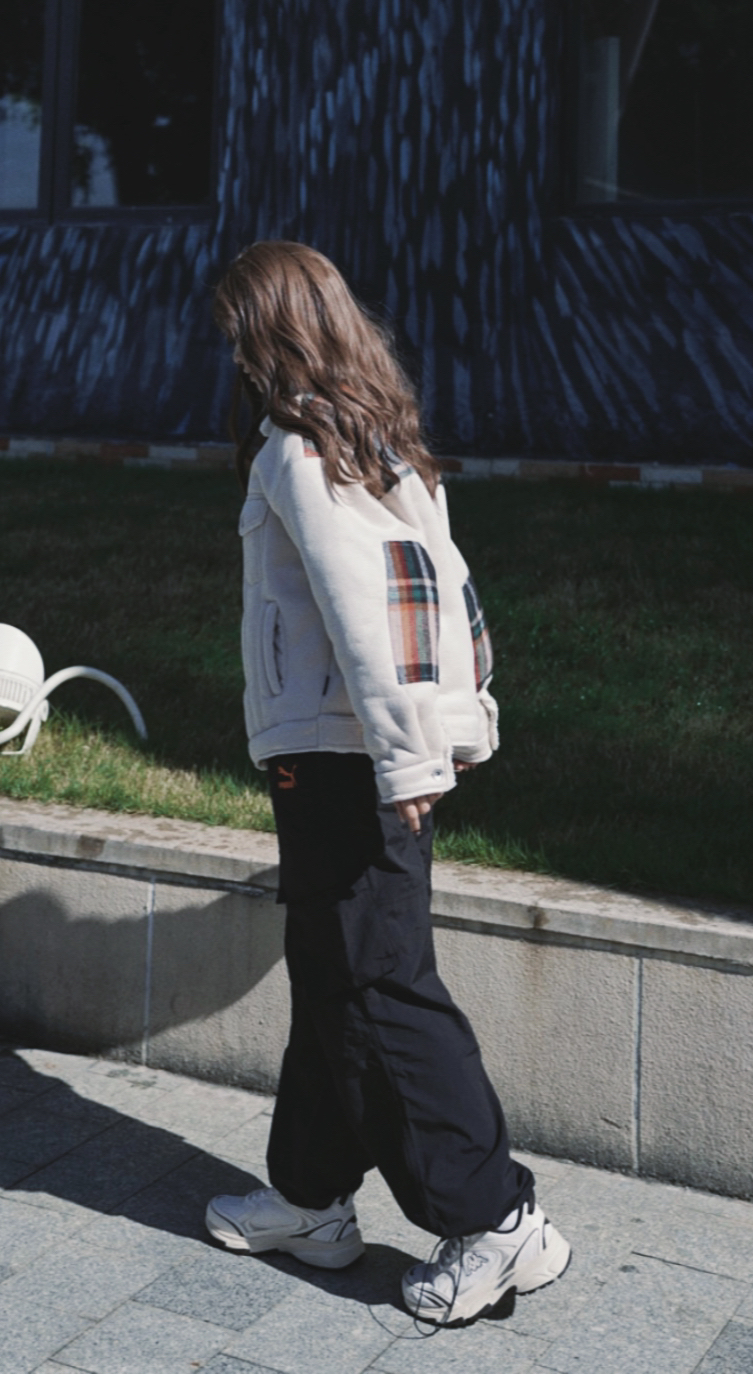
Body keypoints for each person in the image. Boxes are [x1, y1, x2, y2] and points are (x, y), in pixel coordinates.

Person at [204, 240, 570, 1326]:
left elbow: (377, 606)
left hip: (343, 756)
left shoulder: (300, 446)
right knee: (334, 971)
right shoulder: (371, 436)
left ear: (267, 333)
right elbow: (441, 589)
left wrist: (411, 752)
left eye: (234, 334)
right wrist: (447, 724)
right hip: (349, 747)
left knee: (382, 985)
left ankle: (496, 1220)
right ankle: (311, 1199)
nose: (229, 356)